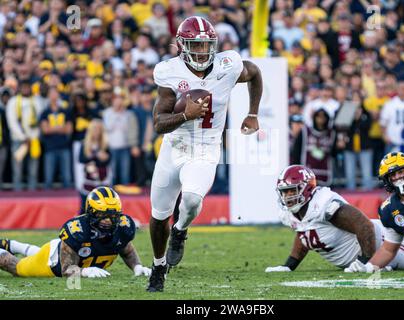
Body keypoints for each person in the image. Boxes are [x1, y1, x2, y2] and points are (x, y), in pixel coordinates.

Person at [148, 16, 262, 292]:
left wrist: (252, 113)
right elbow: (158, 122)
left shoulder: (228, 64)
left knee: (190, 199)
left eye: (205, 45)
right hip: (175, 146)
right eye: (195, 45)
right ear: (181, 45)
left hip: (206, 148)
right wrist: (185, 115)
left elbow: (255, 73)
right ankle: (158, 265)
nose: (201, 51)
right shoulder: (169, 72)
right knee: (159, 213)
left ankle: (181, 231)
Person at [265, 165, 404, 273]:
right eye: (285, 192)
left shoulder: (322, 203)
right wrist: (289, 266)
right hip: (368, 251)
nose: (287, 196)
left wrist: (365, 261)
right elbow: (304, 233)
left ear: (307, 188)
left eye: (292, 190)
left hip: (382, 243)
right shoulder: (290, 213)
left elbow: (364, 225)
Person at [0, 186, 151, 278]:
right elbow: (66, 269)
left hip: (68, 252)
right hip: (53, 262)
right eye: (102, 215)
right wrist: (84, 272)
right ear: (91, 212)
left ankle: (11, 245)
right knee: (17, 267)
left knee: (37, 253)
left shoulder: (123, 227)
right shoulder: (77, 230)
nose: (108, 220)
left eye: (112, 215)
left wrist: (137, 267)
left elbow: (128, 251)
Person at [79, 119, 112, 213]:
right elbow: (81, 159)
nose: (97, 131)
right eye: (95, 129)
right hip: (88, 183)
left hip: (103, 181)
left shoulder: (105, 144)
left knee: (104, 209)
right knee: (84, 209)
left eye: (99, 129)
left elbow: (108, 160)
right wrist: (94, 157)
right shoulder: (85, 143)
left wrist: (101, 158)